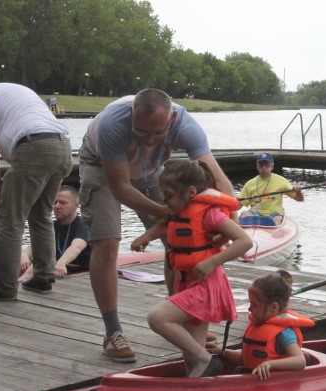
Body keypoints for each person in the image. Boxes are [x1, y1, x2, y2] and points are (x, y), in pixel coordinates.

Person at [78, 88, 237, 362]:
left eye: (158, 134)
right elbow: (120, 188)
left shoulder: (186, 125)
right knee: (106, 241)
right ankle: (113, 332)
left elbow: (217, 178)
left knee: (182, 238)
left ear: (172, 119)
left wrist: (231, 222)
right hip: (102, 167)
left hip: (151, 171)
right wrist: (168, 213)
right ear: (132, 116)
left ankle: (181, 314)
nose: (151, 140)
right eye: (142, 132)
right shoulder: (112, 124)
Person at [130, 159, 252, 377]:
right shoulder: (179, 208)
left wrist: (212, 261)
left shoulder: (209, 213)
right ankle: (201, 385)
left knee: (157, 318)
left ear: (191, 191)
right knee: (191, 359)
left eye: (169, 196)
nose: (165, 203)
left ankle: (208, 360)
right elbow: (166, 222)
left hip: (205, 285)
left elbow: (244, 241)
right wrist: (146, 236)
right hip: (185, 282)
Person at [0, 73, 72, 302]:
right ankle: (43, 277)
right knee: (40, 215)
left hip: (35, 147)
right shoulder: (18, 91)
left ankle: (4, 287)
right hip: (62, 147)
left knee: (9, 220)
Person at [207, 270, 314, 380]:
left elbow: (300, 361)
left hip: (274, 385)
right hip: (250, 379)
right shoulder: (258, 325)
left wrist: (269, 364)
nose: (249, 308)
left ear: (273, 307)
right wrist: (222, 352)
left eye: (254, 305)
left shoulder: (284, 333)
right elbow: (247, 360)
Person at [0, 185, 91, 283]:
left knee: (38, 263)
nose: (56, 206)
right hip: (53, 264)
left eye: (62, 203)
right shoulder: (52, 226)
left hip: (72, 266)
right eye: (55, 202)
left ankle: (18, 283)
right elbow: (33, 247)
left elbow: (76, 247)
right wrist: (24, 256)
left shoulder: (83, 226)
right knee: (4, 257)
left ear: (76, 205)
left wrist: (62, 262)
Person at [238, 153, 304, 224]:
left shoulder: (281, 181)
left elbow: (300, 199)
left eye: (267, 165)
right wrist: (232, 202)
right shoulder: (250, 184)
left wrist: (298, 192)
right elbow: (238, 205)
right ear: (257, 166)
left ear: (272, 166)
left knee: (278, 219)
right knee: (244, 214)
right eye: (261, 165)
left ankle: (272, 228)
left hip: (274, 214)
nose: (264, 167)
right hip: (255, 213)